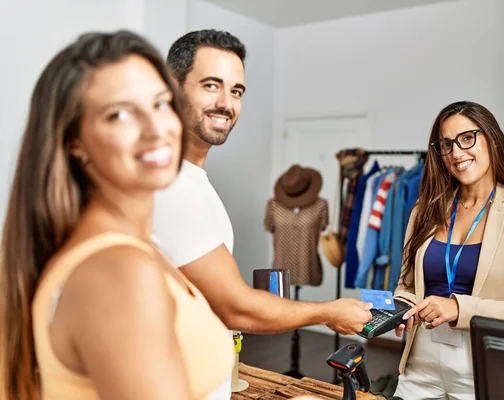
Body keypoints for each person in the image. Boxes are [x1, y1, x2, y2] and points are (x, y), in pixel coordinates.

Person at [0, 30, 235, 400]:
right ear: (73, 141)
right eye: (120, 114)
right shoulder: (118, 271)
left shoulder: (129, 249)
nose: (156, 129)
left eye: (160, 104)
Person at [152, 29, 372, 399]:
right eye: (211, 85)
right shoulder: (169, 186)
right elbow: (235, 307)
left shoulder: (194, 183)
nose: (227, 103)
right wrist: (328, 312)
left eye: (237, 91)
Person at [391, 101, 504, 399]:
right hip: (420, 365)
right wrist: (402, 304)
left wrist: (459, 308)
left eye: (467, 138)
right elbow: (406, 283)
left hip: (483, 368)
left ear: (492, 140)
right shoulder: (424, 210)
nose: (456, 153)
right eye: (446, 144)